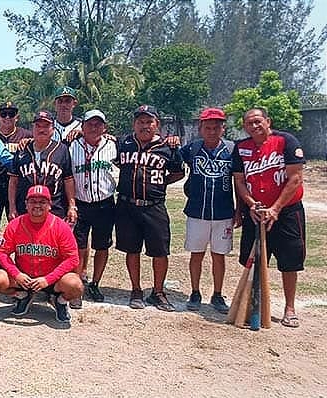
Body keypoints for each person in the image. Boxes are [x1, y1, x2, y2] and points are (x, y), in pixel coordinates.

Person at [232, 107, 306, 328]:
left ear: (267, 121)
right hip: (255, 213)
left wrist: (276, 208)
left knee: (289, 260)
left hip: (286, 212)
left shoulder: (286, 141)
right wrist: (251, 204)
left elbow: (295, 179)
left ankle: (289, 308)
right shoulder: (241, 148)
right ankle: (254, 305)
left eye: (258, 121)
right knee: (252, 259)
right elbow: (240, 181)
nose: (254, 126)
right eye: (249, 123)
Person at [115, 105, 184, 312]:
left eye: (149, 122)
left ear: (157, 124)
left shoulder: (168, 147)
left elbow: (178, 172)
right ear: (134, 124)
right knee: (131, 249)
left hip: (154, 206)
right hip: (127, 205)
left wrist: (159, 184)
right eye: (140, 122)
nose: (144, 126)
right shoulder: (124, 143)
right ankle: (136, 290)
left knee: (160, 251)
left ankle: (158, 291)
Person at [0, 185, 82, 327]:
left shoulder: (60, 226)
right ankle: (23, 296)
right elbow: (2, 252)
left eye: (42, 202)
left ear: (50, 205)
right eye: (33, 201)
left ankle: (60, 301)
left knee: (75, 285)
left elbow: (73, 258)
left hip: (52, 280)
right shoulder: (15, 224)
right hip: (24, 279)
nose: (37, 205)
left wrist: (48, 279)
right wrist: (17, 274)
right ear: (26, 204)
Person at [180, 108, 237, 314]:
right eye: (208, 127)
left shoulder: (232, 150)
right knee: (196, 254)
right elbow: (174, 159)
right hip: (197, 212)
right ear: (200, 128)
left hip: (223, 213)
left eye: (216, 127)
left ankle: (217, 293)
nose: (212, 131)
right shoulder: (192, 149)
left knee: (219, 255)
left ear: (223, 128)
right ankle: (195, 292)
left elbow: (239, 181)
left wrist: (239, 209)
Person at [68, 109, 118, 308]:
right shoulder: (72, 146)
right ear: (82, 126)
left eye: (98, 124)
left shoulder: (113, 146)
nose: (94, 127)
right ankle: (78, 285)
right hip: (80, 204)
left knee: (102, 246)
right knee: (79, 246)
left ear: (104, 127)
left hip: (104, 203)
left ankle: (96, 283)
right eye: (90, 124)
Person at [9, 110, 77, 222]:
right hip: (26, 207)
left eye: (46, 126)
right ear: (32, 128)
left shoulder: (62, 150)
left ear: (53, 129)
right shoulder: (22, 149)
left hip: (55, 207)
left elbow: (68, 180)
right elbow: (13, 181)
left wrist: (72, 206)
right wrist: (12, 207)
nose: (42, 129)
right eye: (38, 126)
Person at [0, 102, 32, 228]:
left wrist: (31, 141)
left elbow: (43, 141)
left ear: (17, 117)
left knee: (18, 223)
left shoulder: (26, 135)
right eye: (4, 114)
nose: (7, 117)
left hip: (18, 187)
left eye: (11, 114)